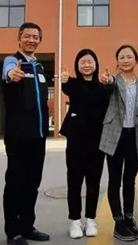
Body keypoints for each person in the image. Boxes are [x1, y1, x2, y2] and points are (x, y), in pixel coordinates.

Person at [2, 22, 51, 245]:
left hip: (38, 136)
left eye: (35, 37)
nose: (31, 40)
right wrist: (11, 74)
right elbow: (8, 71)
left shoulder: (39, 68)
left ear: (40, 40)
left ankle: (27, 226)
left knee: (32, 183)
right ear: (19, 38)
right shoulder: (13, 61)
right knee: (16, 183)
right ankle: (13, 232)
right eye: (27, 36)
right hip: (18, 136)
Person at [99, 45, 138, 242]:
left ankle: (129, 219)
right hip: (115, 135)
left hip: (134, 136)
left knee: (129, 180)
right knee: (114, 180)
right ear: (117, 61)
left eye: (129, 57)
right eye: (122, 57)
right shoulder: (113, 81)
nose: (125, 60)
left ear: (136, 61)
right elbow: (109, 84)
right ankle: (118, 221)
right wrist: (107, 80)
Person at [59, 49, 110, 239]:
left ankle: (90, 219)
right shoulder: (72, 84)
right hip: (76, 139)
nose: (86, 65)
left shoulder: (103, 87)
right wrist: (64, 80)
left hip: (97, 140)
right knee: (74, 181)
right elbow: (65, 87)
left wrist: (110, 82)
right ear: (77, 65)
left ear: (96, 64)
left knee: (93, 181)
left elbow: (110, 99)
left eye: (90, 61)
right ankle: (74, 220)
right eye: (83, 62)